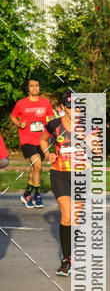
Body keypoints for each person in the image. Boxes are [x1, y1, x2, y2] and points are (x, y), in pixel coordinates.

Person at [40, 91, 76, 275]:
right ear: (63, 107)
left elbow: (97, 149)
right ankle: (66, 259)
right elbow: (43, 140)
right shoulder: (54, 125)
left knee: (75, 218)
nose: (73, 110)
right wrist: (48, 154)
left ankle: (74, 252)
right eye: (69, 106)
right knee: (66, 217)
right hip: (59, 173)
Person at [10, 77, 55, 208]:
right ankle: (37, 196)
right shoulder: (21, 103)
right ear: (28, 88)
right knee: (38, 165)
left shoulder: (46, 103)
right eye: (31, 86)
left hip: (41, 141)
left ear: (39, 87)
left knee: (34, 170)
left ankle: (26, 195)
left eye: (37, 85)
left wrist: (52, 120)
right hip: (27, 140)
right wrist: (19, 123)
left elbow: (51, 116)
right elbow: (13, 116)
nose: (34, 88)